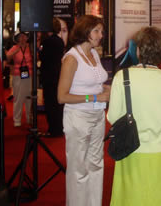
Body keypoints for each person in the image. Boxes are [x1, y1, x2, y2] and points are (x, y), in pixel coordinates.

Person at [107, 26, 161, 206]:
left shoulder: (122, 76)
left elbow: (113, 116)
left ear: (138, 50)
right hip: (160, 151)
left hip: (130, 150)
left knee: (130, 199)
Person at [57, 15, 110, 206]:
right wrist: (95, 97)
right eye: (96, 31)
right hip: (78, 117)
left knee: (96, 165)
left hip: (97, 116)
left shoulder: (94, 53)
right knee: (78, 169)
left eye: (101, 31)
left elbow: (96, 82)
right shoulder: (71, 58)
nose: (100, 35)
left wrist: (106, 89)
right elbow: (62, 96)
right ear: (85, 32)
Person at [39, 18, 66, 137]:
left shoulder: (47, 42)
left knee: (50, 104)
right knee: (58, 103)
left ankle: (53, 129)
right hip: (58, 74)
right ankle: (59, 127)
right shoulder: (60, 41)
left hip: (49, 76)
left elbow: (43, 57)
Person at [7, 31, 33, 127]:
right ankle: (17, 120)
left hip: (30, 75)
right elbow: (6, 58)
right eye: (20, 37)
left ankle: (29, 118)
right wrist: (14, 52)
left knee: (29, 97)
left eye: (24, 36)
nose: (22, 38)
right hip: (18, 76)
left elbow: (36, 58)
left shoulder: (30, 47)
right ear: (17, 38)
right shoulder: (14, 48)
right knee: (18, 98)